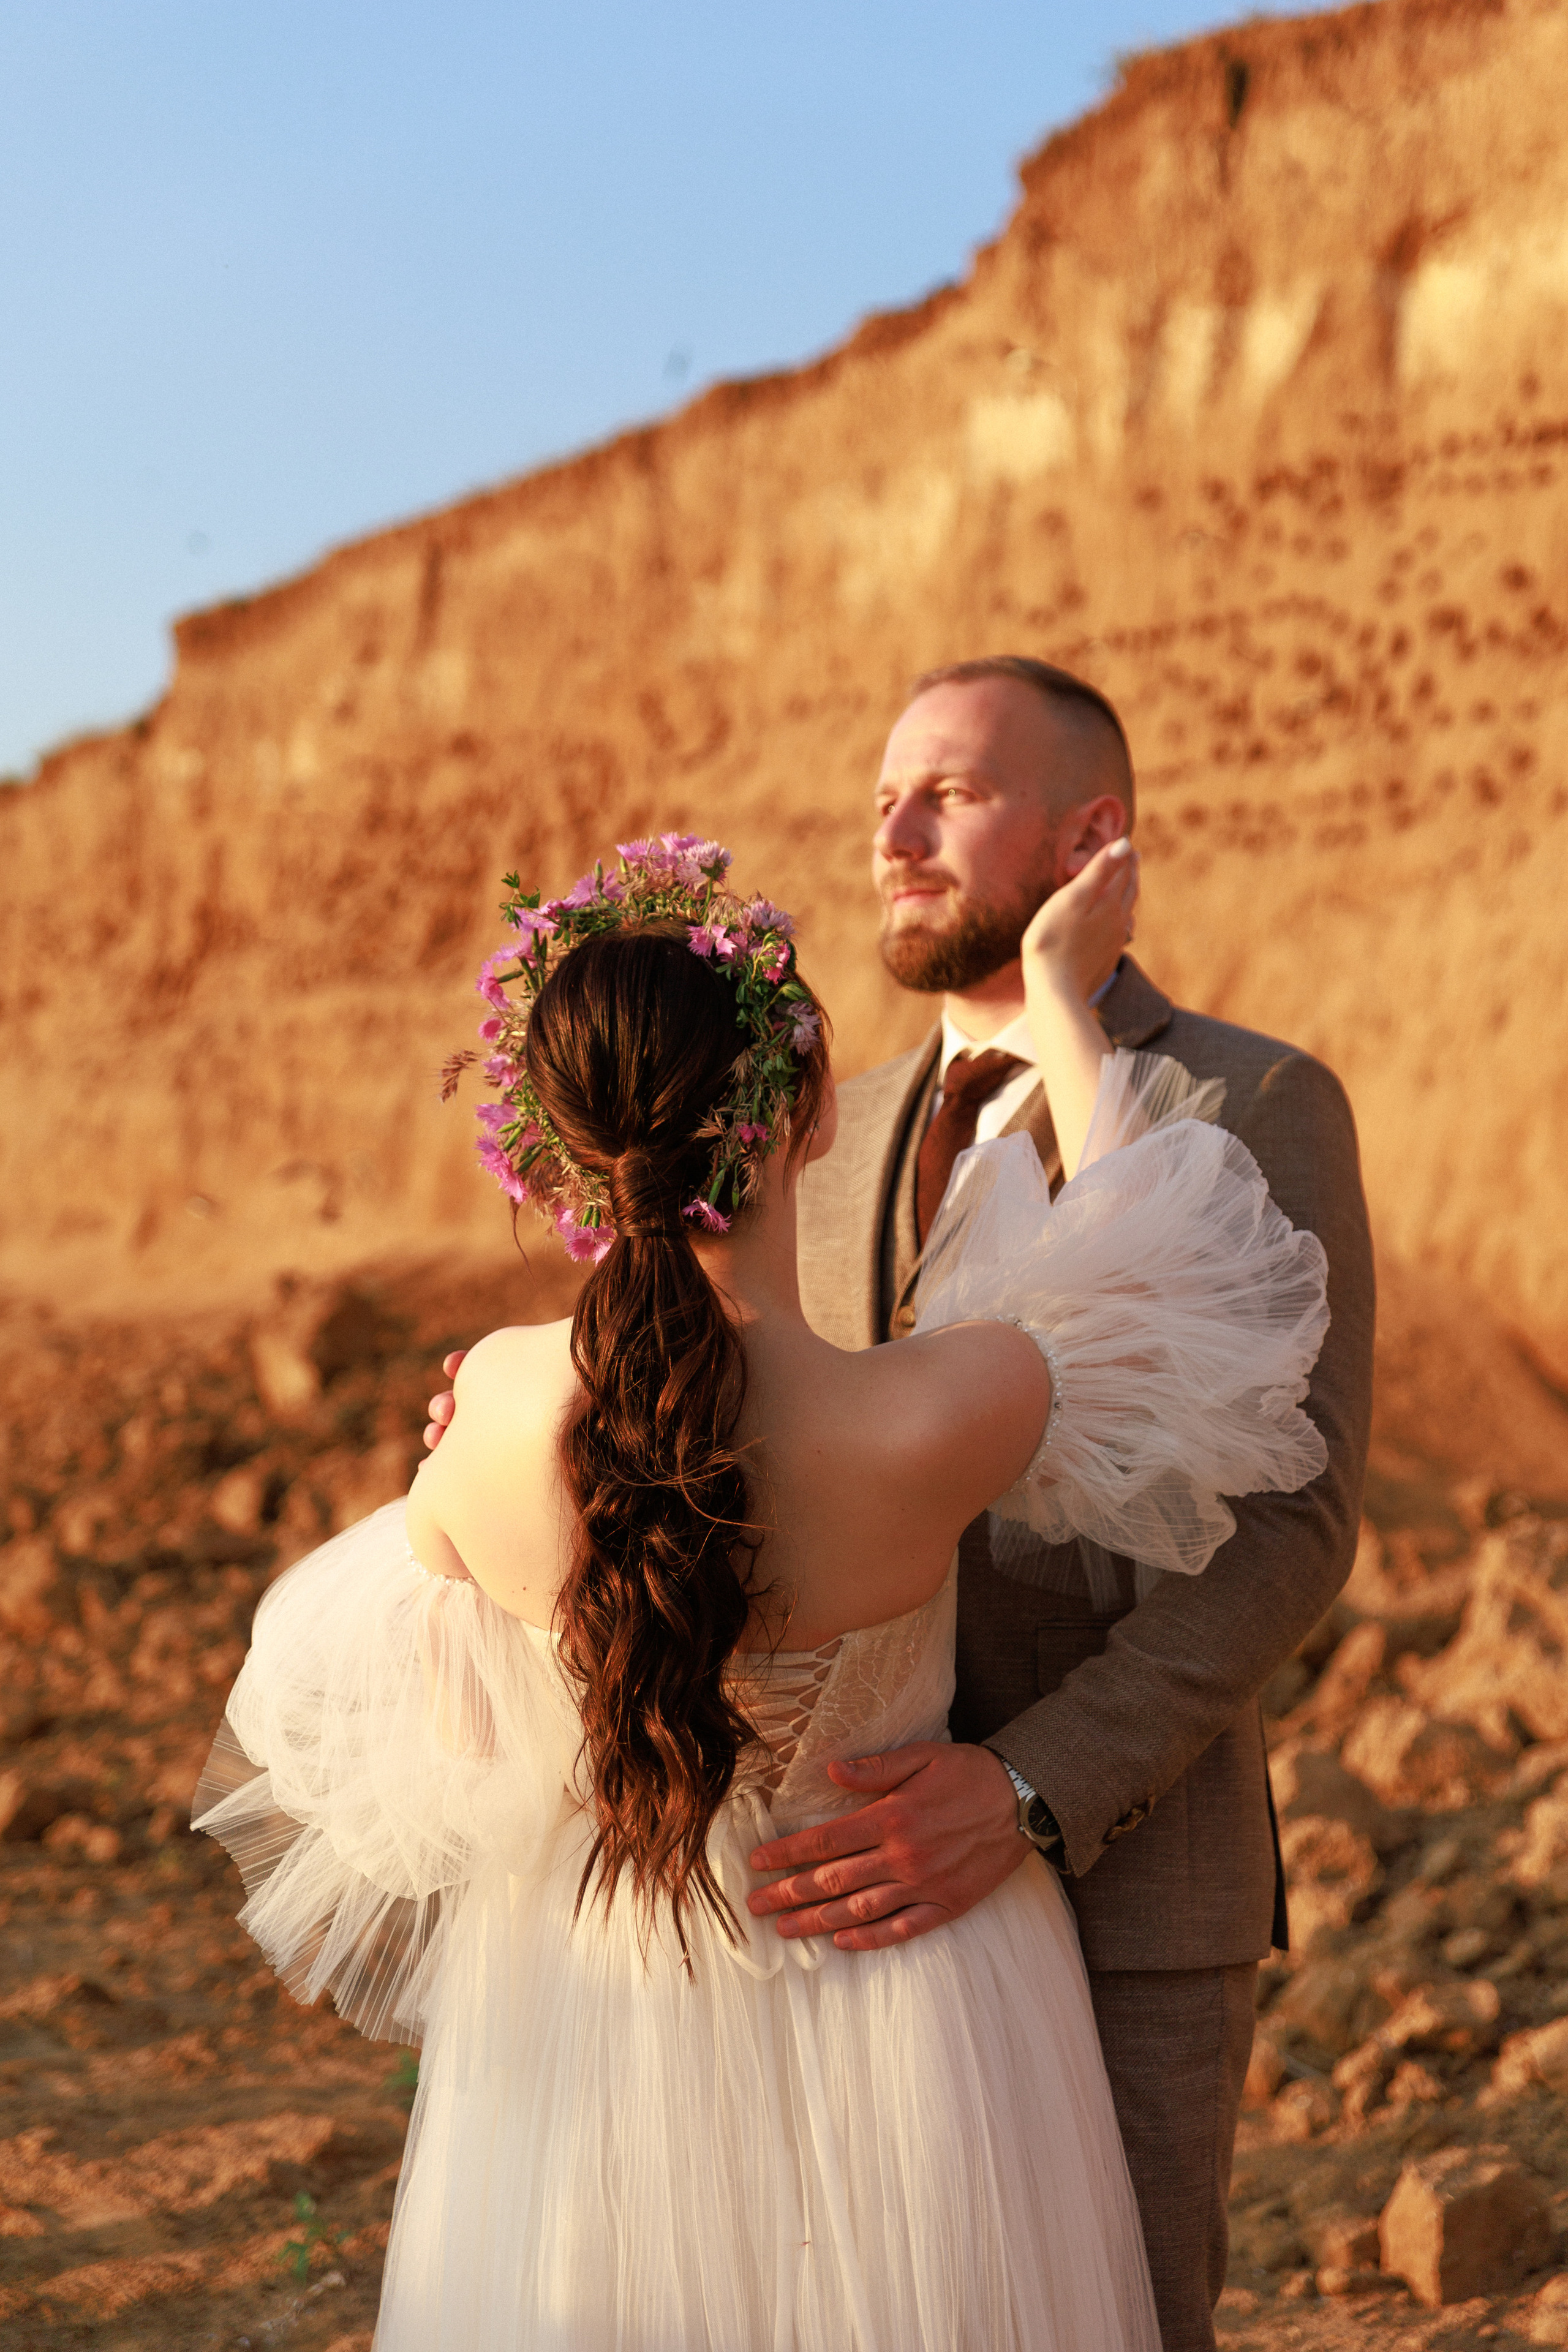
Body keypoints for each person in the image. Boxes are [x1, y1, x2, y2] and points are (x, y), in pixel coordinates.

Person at [198, 829, 1331, 2351]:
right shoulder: (934, 1413)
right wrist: (1058, 999)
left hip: (596, 2007)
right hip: (917, 1998)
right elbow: (1167, 1262)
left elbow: (435, 1737)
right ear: (808, 1114)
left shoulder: (490, 1409)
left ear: (564, 1154)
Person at [758, 658, 1376, 2352]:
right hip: (840, 1868)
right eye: (884, 797)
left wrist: (1026, 1788)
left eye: (948, 795)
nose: (893, 834)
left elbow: (1293, 1526)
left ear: (1090, 834)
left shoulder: (1254, 1101)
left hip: (1130, 1888)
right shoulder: (826, 1134)